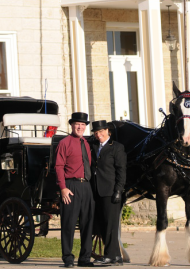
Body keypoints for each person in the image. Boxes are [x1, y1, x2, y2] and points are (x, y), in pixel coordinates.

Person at [55, 112, 95, 268]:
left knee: (87, 223)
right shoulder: (64, 143)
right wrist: (63, 188)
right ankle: (68, 258)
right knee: (68, 223)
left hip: (86, 186)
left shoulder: (86, 143)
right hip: (71, 186)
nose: (80, 127)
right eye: (77, 124)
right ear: (72, 125)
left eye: (83, 125)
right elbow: (58, 166)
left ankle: (85, 258)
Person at [91, 120, 127, 266]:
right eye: (96, 133)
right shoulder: (94, 147)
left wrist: (118, 190)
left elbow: (121, 171)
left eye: (101, 132)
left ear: (108, 131)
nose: (99, 135)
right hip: (97, 190)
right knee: (103, 223)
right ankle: (116, 256)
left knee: (110, 224)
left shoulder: (116, 148)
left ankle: (110, 255)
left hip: (111, 191)